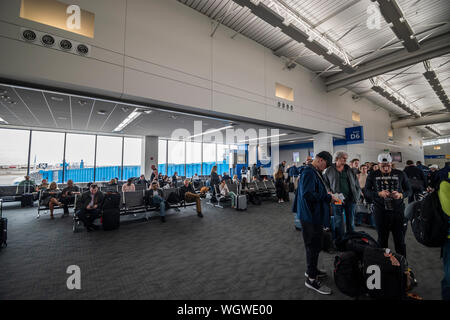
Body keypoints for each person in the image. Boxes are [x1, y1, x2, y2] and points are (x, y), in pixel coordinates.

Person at [295, 151, 337, 295]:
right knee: (313, 246)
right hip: (310, 216)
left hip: (313, 215)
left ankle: (311, 270)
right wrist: (327, 197)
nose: (325, 168)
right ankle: (311, 280)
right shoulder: (309, 172)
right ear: (319, 160)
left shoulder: (313, 171)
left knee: (314, 245)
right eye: (325, 164)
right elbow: (308, 194)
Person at [364, 153, 412, 258]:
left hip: (397, 211)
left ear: (391, 163)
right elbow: (366, 191)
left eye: (388, 166)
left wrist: (400, 195)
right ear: (378, 164)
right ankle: (384, 263)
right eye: (383, 166)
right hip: (380, 211)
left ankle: (403, 265)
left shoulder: (400, 174)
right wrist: (378, 194)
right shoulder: (372, 174)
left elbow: (409, 190)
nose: (386, 168)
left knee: (399, 240)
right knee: (382, 239)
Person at [323, 151, 361, 241]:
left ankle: (351, 240)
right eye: (343, 158)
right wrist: (329, 192)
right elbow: (325, 183)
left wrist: (357, 196)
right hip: (337, 198)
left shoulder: (349, 169)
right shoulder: (329, 170)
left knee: (350, 221)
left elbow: (357, 185)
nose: (345, 160)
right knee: (338, 221)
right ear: (337, 159)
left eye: (346, 158)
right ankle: (339, 241)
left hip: (350, 199)